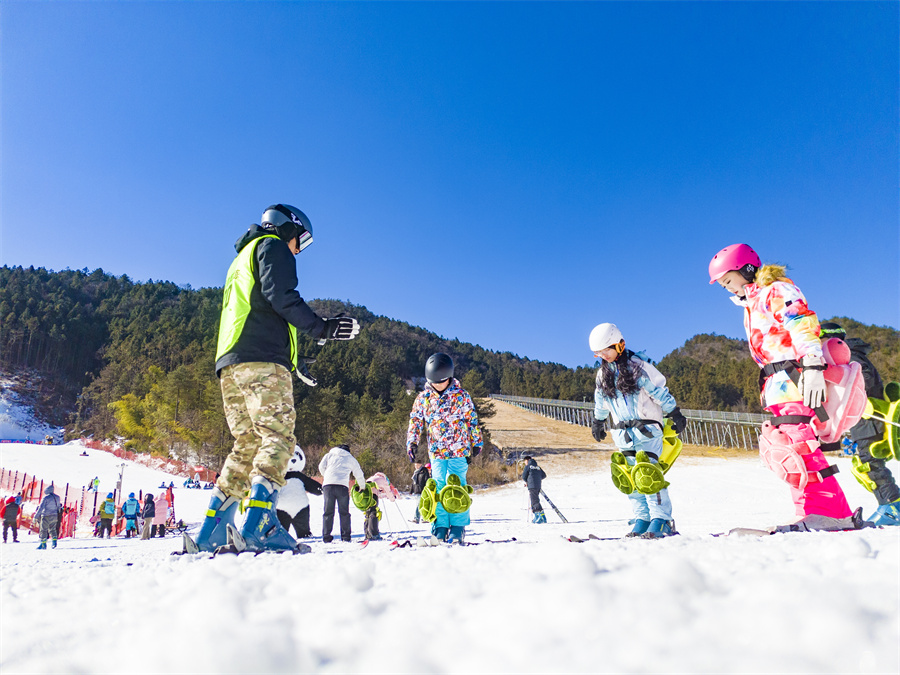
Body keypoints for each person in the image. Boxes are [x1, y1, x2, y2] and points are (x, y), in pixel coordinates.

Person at [191, 203, 360, 553]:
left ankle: (215, 526)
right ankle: (261, 522)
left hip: (231, 362)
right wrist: (323, 328)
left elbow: (260, 308)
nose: (299, 248)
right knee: (279, 437)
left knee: (248, 442)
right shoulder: (273, 246)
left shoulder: (241, 260)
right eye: (302, 240)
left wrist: (296, 363)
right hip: (261, 358)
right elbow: (282, 298)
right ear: (289, 228)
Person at [708, 244, 858, 531]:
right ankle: (813, 511)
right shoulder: (753, 302)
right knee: (788, 448)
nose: (728, 289)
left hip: (794, 378)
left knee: (798, 446)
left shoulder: (776, 291)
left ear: (746, 270)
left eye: (728, 280)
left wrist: (813, 363)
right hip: (777, 383)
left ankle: (829, 512)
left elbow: (802, 322)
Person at [589, 323, 686, 537]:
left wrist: (674, 412)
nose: (604, 356)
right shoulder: (602, 375)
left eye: (607, 350)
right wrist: (598, 421)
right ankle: (642, 518)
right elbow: (600, 401)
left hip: (646, 430)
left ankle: (662, 519)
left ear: (619, 344)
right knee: (630, 477)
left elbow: (659, 392)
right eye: (599, 353)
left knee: (647, 473)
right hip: (622, 433)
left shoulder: (638, 367)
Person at [819, 322, 900, 526]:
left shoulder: (851, 356)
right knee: (867, 464)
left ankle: (892, 508)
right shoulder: (849, 355)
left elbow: (860, 383)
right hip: (863, 421)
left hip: (870, 420)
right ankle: (890, 505)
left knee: (870, 465)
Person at [407, 353, 483, 544]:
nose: (438, 385)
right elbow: (416, 421)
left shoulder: (461, 396)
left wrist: (476, 442)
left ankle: (458, 528)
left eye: (441, 381)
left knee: (457, 487)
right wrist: (412, 442)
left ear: (449, 376)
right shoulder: (423, 398)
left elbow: (472, 420)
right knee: (438, 489)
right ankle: (439, 527)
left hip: (459, 451)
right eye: (434, 382)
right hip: (437, 453)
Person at [318, 444, 366, 542]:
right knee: (344, 512)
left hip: (328, 486)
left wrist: (326, 475)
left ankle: (326, 537)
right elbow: (358, 473)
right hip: (342, 486)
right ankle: (345, 537)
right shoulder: (350, 458)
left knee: (328, 512)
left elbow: (321, 467)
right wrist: (362, 486)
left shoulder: (329, 455)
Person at [276, 446, 323, 539]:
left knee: (282, 532)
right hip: (299, 506)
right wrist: (321, 489)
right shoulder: (299, 477)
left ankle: (282, 537)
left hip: (283, 506)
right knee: (303, 531)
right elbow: (315, 487)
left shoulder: (279, 477)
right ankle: (303, 534)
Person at [34, 485, 63, 549]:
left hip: (46, 515)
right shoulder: (57, 497)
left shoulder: (46, 498)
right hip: (55, 515)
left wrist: (35, 516)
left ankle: (43, 544)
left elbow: (41, 508)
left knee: (43, 530)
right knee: (53, 529)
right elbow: (58, 507)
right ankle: (54, 542)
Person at [521, 456, 548, 523]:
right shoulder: (538, 467)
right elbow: (544, 475)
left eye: (525, 461)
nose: (525, 463)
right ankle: (543, 516)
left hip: (532, 486)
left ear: (528, 460)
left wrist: (528, 481)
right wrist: (537, 479)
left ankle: (538, 517)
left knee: (534, 501)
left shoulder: (528, 466)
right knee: (536, 500)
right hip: (538, 485)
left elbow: (524, 476)